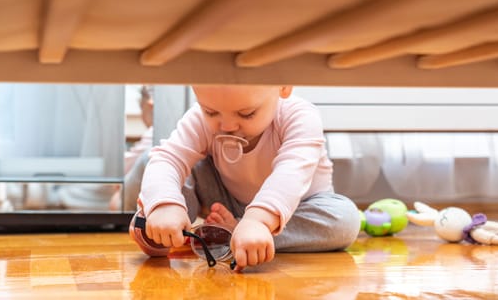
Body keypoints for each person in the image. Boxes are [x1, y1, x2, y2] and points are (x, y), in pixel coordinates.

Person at [130, 85, 360, 271]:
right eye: (211, 112)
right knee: (176, 175)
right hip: (225, 197)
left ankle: (240, 232)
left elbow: (291, 172)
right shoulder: (198, 119)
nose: (227, 125)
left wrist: (258, 221)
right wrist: (164, 203)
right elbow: (168, 158)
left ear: (283, 87)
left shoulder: (299, 116)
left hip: (299, 208)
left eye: (247, 113)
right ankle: (163, 230)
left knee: (345, 219)